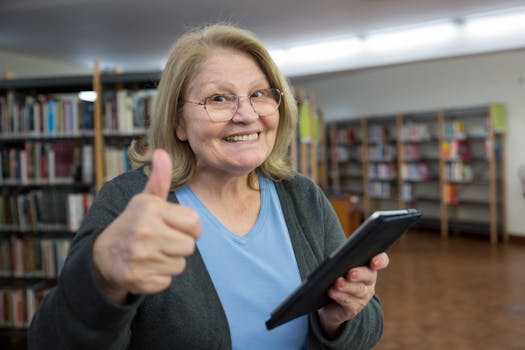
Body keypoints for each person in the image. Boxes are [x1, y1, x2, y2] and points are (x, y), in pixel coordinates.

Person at [28, 23, 389, 349]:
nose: (247, 114)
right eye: (219, 98)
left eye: (260, 94)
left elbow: (369, 323)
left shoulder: (303, 196)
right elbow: (49, 341)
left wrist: (336, 320)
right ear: (179, 123)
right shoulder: (130, 201)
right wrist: (102, 278)